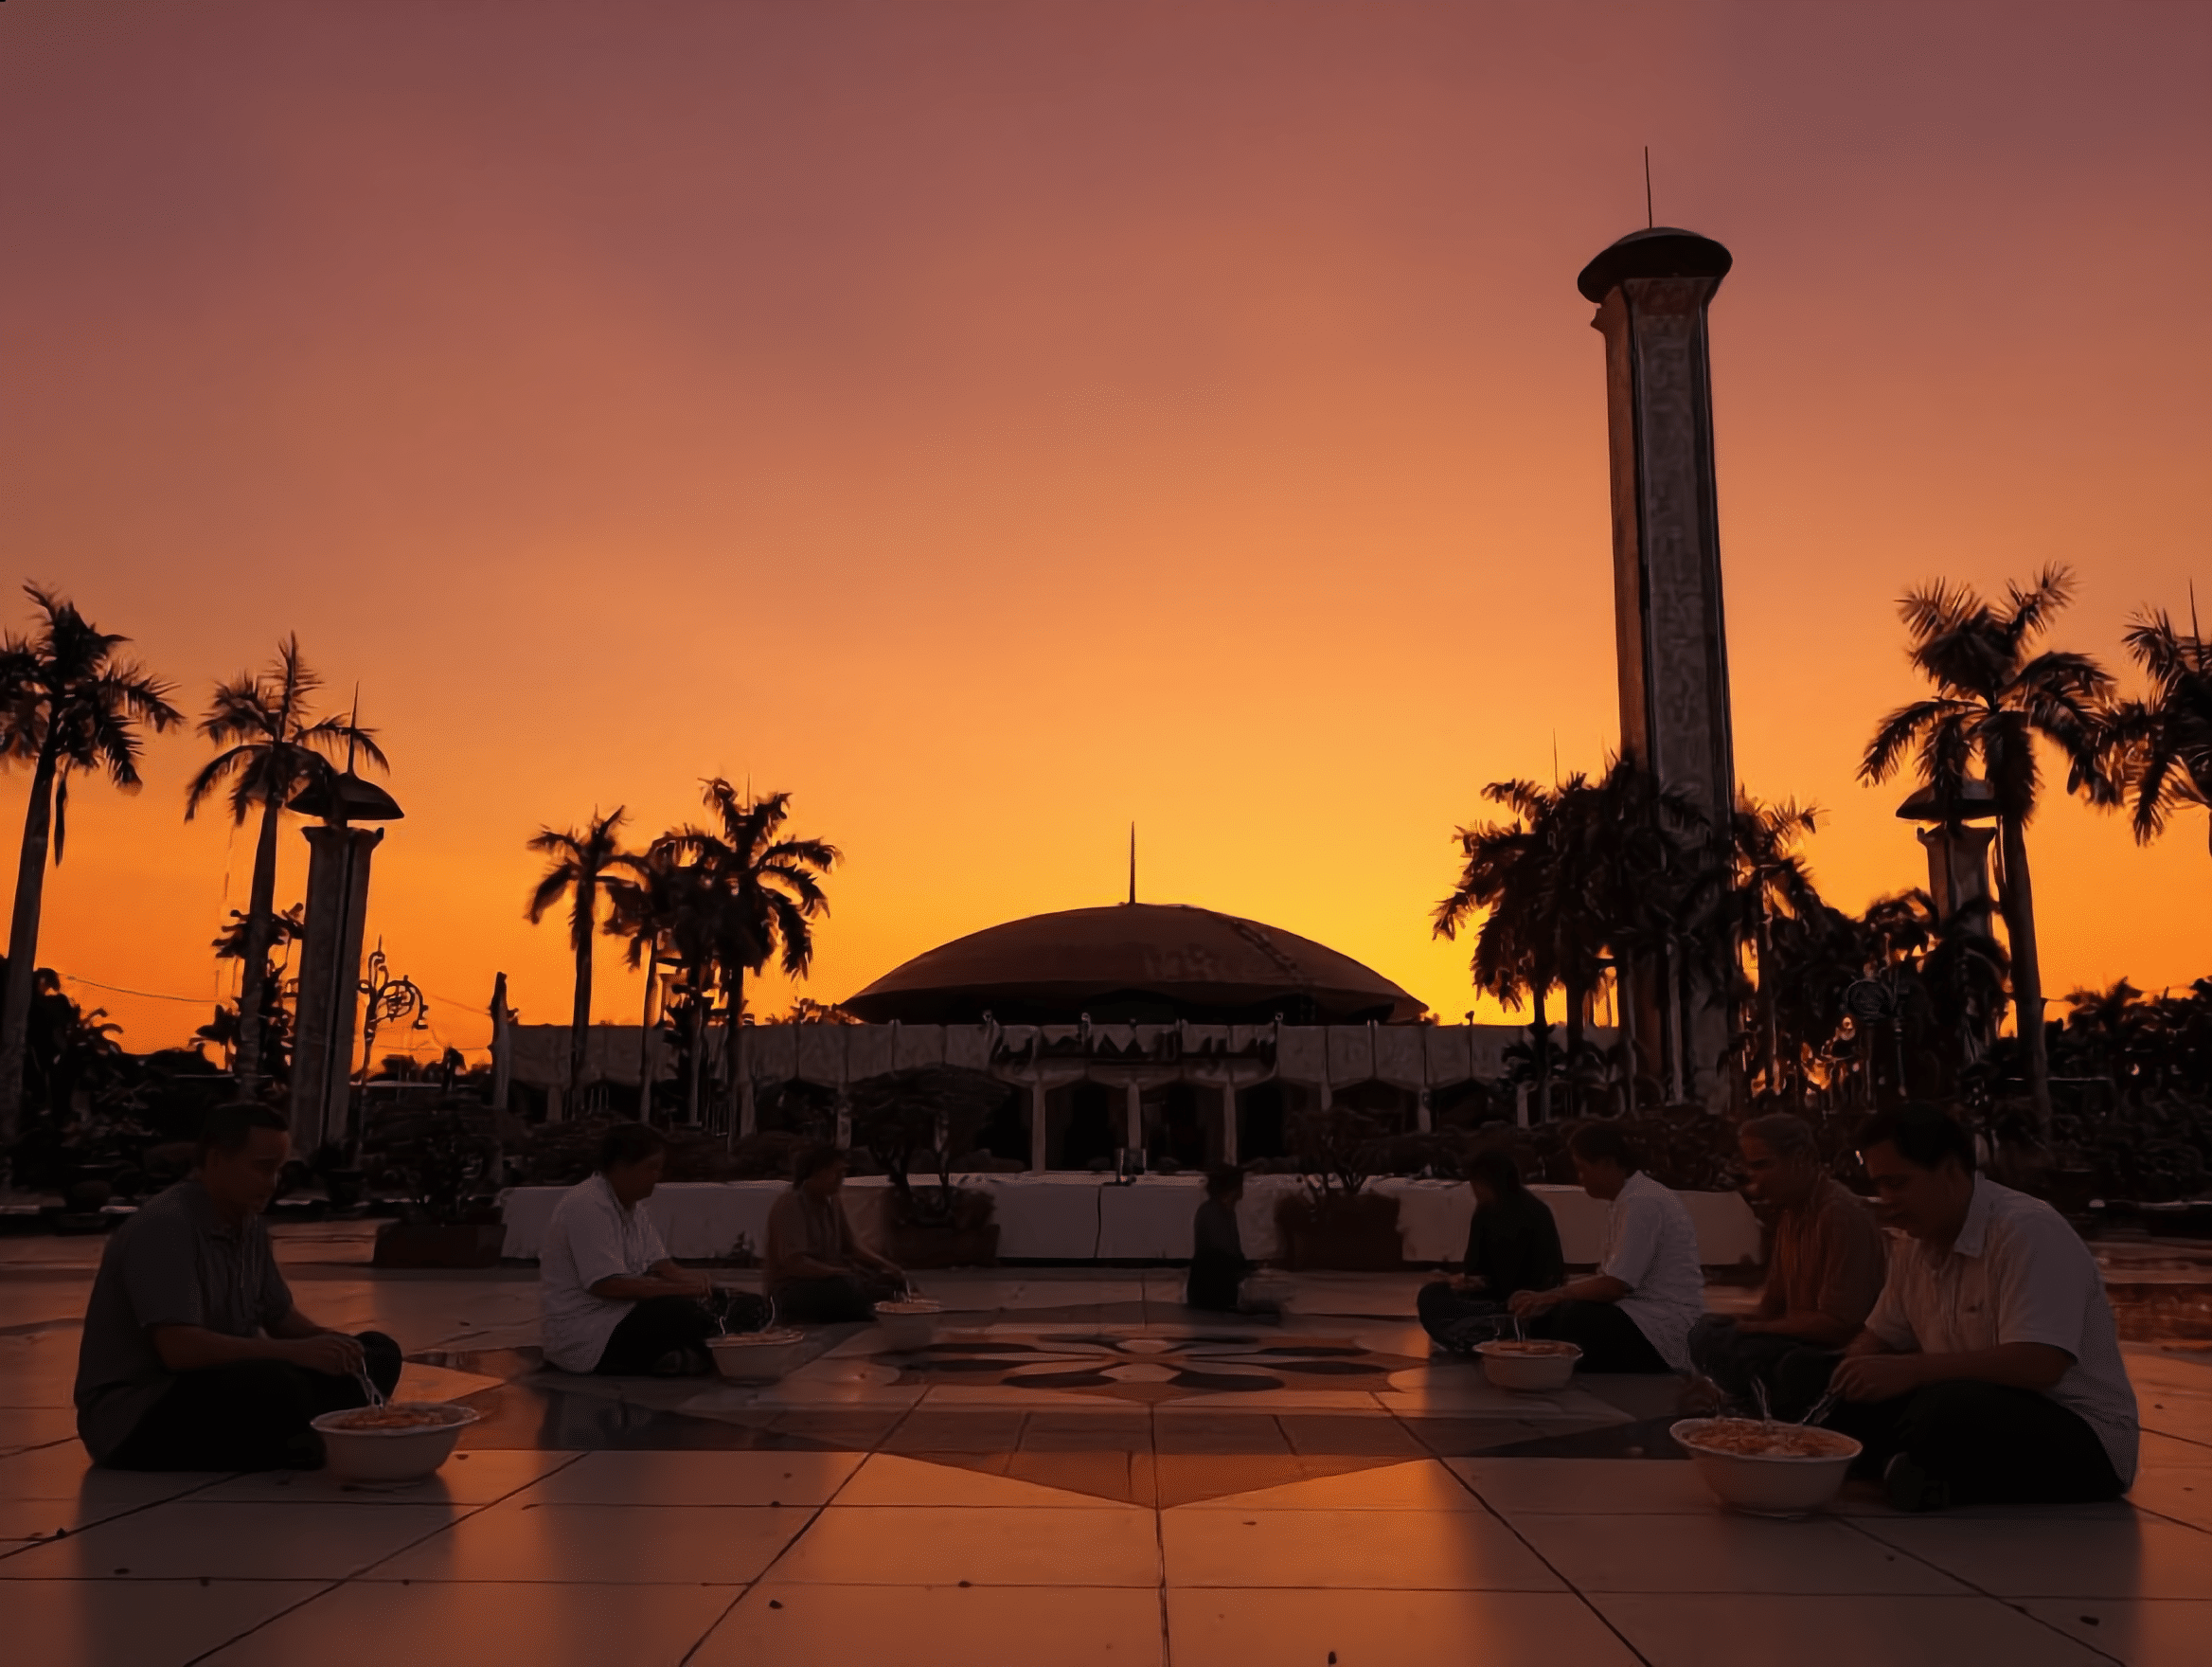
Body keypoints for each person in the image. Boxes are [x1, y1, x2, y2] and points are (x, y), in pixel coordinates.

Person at [1792, 1102, 2137, 1513]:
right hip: (1969, 1403)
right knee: (1806, 1373)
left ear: (1953, 1172)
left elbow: (2041, 1364)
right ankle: (1912, 1471)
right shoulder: (1915, 1245)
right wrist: (1843, 1381)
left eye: (1898, 1183)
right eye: (1879, 1186)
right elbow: (1879, 1336)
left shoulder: (2027, 1231)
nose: (1887, 1200)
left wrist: (1912, 1370)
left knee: (1945, 1408)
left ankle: (1916, 1470)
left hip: (2076, 1432)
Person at [74, 1103, 403, 1471]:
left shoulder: (249, 1226)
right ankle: (295, 1439)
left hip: (223, 1382)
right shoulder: (166, 1227)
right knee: (271, 1383)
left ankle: (297, 1437)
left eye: (278, 1171)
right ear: (216, 1160)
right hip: (143, 1410)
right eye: (262, 1168)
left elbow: (280, 1317)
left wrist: (332, 1346)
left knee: (378, 1352)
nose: (272, 1182)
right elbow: (179, 1350)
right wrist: (295, 1353)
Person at [1687, 1113, 1885, 1417]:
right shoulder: (1791, 1215)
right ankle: (1750, 1396)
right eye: (1751, 1167)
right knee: (1708, 1331)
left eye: (1762, 1165)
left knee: (1787, 1364)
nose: (1755, 1179)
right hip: (1798, 1337)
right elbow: (1773, 1303)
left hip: (1831, 1350)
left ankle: (1766, 1405)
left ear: (1802, 1159)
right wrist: (1746, 1326)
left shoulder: (1841, 1215)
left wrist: (1757, 1329)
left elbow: (1839, 1326)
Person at [541, 1121, 763, 1375]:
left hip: (624, 1315)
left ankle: (682, 1355)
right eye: (651, 1168)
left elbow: (662, 1265)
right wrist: (681, 1290)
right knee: (680, 1314)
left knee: (736, 1303)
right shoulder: (587, 1205)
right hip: (589, 1330)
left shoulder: (634, 1209)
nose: (657, 1177)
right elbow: (607, 1284)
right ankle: (688, 1353)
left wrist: (707, 1287)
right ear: (621, 1167)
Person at [1509, 1120, 1704, 1373]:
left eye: (1582, 1169)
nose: (1580, 1179)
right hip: (1640, 1315)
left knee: (1574, 1318)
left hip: (1660, 1325)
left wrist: (1553, 1295)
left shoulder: (1641, 1202)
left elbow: (1614, 1286)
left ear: (1607, 1163)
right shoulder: (1630, 1199)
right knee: (1555, 1313)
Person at [1417, 1149, 1565, 1352]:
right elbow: (1477, 1274)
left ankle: (1490, 1332)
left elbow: (1548, 1276)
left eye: (1476, 1184)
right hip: (1492, 1305)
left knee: (1437, 1303)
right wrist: (1454, 1281)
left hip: (1525, 1306)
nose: (1474, 1191)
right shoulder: (1485, 1213)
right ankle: (1491, 1332)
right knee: (1432, 1296)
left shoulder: (1534, 1213)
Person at [765, 1143, 906, 1323]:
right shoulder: (791, 1204)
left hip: (831, 1278)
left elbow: (852, 1247)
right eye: (836, 1173)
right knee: (848, 1288)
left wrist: (887, 1266)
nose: (841, 1179)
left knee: (888, 1282)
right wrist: (841, 1272)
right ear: (817, 1172)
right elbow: (796, 1264)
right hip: (795, 1285)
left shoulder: (832, 1202)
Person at [1186, 1165, 1271, 1313]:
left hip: (1218, 1284)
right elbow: (1221, 1251)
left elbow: (1231, 1250)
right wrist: (1244, 1268)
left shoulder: (1225, 1212)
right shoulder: (1213, 1212)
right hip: (1210, 1287)